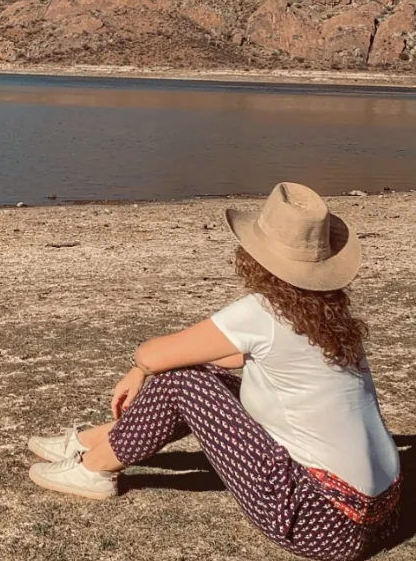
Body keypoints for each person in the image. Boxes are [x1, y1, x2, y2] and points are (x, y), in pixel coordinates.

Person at [26, 183, 401, 561]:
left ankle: (93, 469)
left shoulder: (263, 312)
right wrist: (163, 364)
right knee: (206, 378)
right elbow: (237, 358)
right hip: (381, 514)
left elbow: (154, 355)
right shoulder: (332, 320)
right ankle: (89, 441)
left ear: (256, 257)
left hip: (320, 522)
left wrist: (139, 368)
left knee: (182, 382)